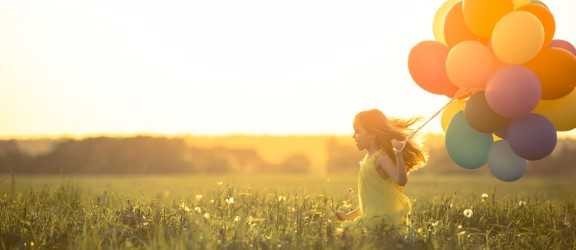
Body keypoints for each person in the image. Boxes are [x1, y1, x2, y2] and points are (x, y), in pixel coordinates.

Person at [334, 109, 427, 236]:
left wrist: (398, 154)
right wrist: (348, 216)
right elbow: (370, 203)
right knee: (343, 234)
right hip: (372, 219)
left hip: (382, 222)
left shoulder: (381, 158)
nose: (353, 136)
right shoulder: (368, 159)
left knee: (345, 235)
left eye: (358, 131)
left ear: (372, 134)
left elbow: (401, 180)